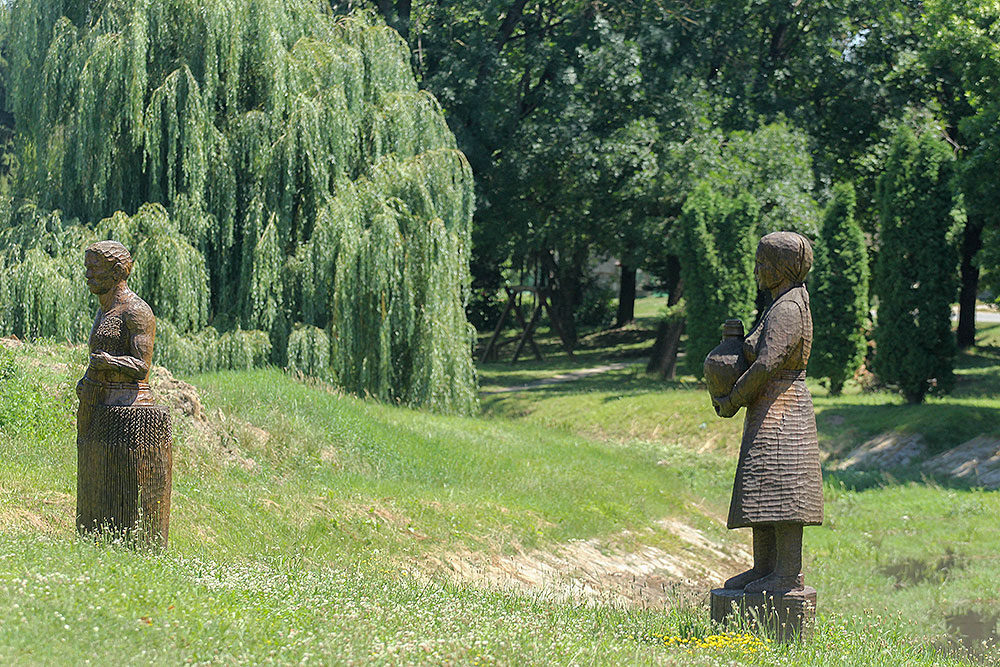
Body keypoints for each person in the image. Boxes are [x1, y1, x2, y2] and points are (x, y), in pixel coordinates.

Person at [712, 231, 823, 594]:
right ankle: (764, 568)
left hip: (784, 409)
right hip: (769, 405)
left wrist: (733, 398)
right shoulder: (778, 304)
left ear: (781, 267)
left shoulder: (789, 309)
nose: (756, 270)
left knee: (785, 491)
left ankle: (788, 573)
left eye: (762, 263)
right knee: (761, 487)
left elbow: (766, 364)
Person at [76, 240, 171, 546]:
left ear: (117, 271)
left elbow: (142, 366)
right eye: (87, 268)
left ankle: (133, 541)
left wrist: (109, 362)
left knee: (127, 487)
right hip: (100, 402)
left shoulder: (136, 310)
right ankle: (94, 537)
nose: (88, 275)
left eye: (95, 269)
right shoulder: (104, 310)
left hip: (132, 405)